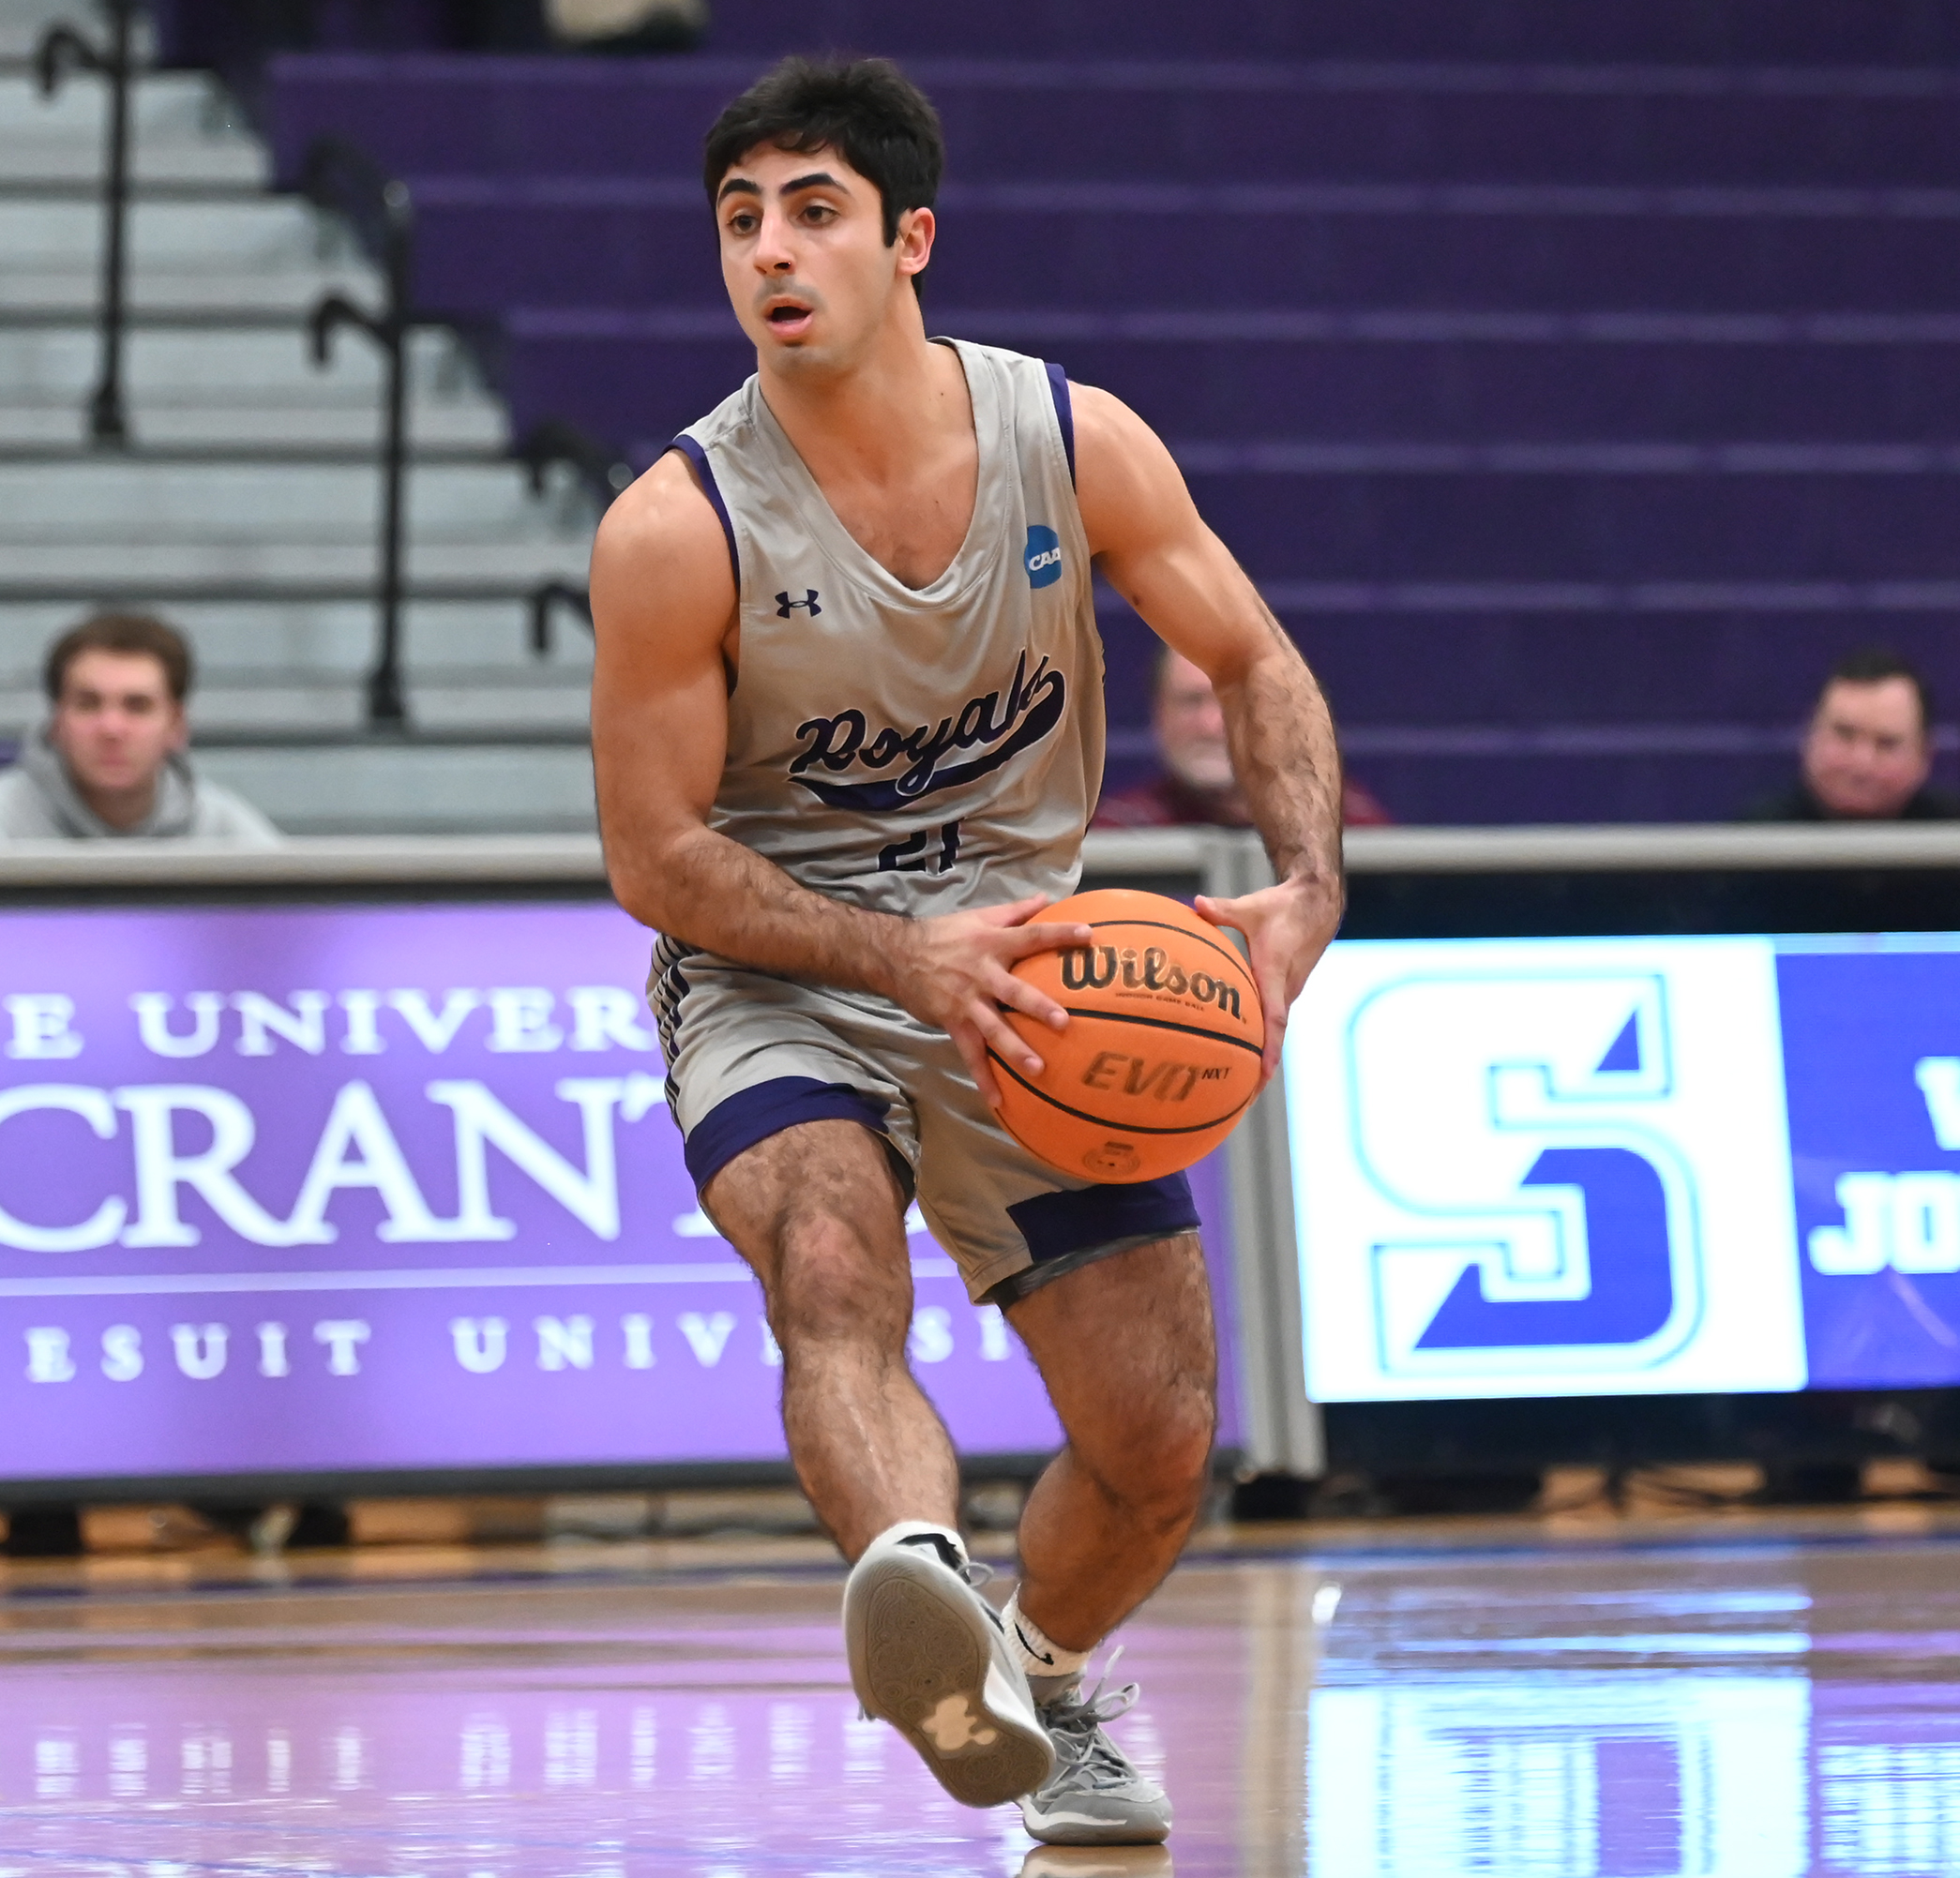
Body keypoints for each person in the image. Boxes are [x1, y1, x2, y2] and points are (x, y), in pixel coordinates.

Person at [587, 57, 1347, 1849]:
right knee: (831, 1255)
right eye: (740, 218)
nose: (771, 252)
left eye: (814, 211)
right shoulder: (674, 527)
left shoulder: (1073, 442)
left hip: (1037, 961)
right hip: (784, 960)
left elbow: (1253, 659)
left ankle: (1040, 1676)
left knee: (1163, 1439)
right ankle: (915, 1580)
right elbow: (655, 856)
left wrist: (1307, 887)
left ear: (911, 238)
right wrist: (897, 957)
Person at [0, 611, 280, 848]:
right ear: (56, 721)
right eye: (88, 704)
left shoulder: (227, 830)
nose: (111, 728)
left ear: (177, 726)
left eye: (137, 706)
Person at [1095, 647, 1393, 830]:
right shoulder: (1120, 832)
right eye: (1190, 701)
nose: (1211, 726)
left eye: (1235, 703)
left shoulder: (1346, 829)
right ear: (1159, 714)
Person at [1743, 645, 1958, 821]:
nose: (1861, 764)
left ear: (1925, 756)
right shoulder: (1746, 850)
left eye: (1886, 743)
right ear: (1809, 734)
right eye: (1844, 735)